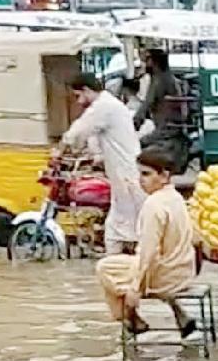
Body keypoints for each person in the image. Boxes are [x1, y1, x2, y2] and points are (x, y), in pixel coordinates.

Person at [96, 147, 197, 336]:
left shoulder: (154, 205)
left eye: (146, 174)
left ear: (164, 176)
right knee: (123, 265)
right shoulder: (176, 198)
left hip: (164, 276)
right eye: (140, 174)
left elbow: (148, 252)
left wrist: (135, 288)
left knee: (104, 267)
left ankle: (130, 316)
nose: (141, 179)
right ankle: (177, 312)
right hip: (183, 272)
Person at [60, 73, 145, 255]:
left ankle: (119, 267)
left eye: (78, 96)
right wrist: (94, 157)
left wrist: (59, 151)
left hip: (126, 175)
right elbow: (97, 140)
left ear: (86, 90)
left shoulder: (103, 106)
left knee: (124, 229)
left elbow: (78, 131)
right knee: (119, 227)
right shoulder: (109, 106)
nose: (78, 101)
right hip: (123, 174)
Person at [134, 49, 180, 132]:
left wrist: (136, 120)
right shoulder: (163, 77)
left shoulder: (159, 80)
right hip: (164, 125)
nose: (145, 63)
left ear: (154, 61)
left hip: (165, 128)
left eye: (147, 59)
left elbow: (148, 102)